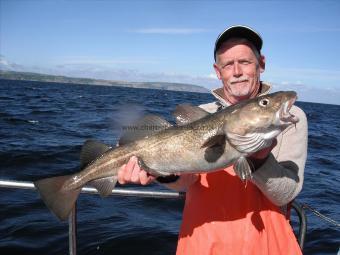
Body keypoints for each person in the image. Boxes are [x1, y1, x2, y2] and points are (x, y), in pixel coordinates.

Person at [117, 25, 308, 255]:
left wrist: (259, 160)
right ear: (218, 72)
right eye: (228, 65)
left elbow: (286, 194)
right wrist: (159, 172)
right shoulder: (201, 113)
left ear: (261, 64)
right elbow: (186, 181)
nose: (237, 71)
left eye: (245, 62)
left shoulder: (290, 117)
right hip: (202, 245)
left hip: (267, 245)